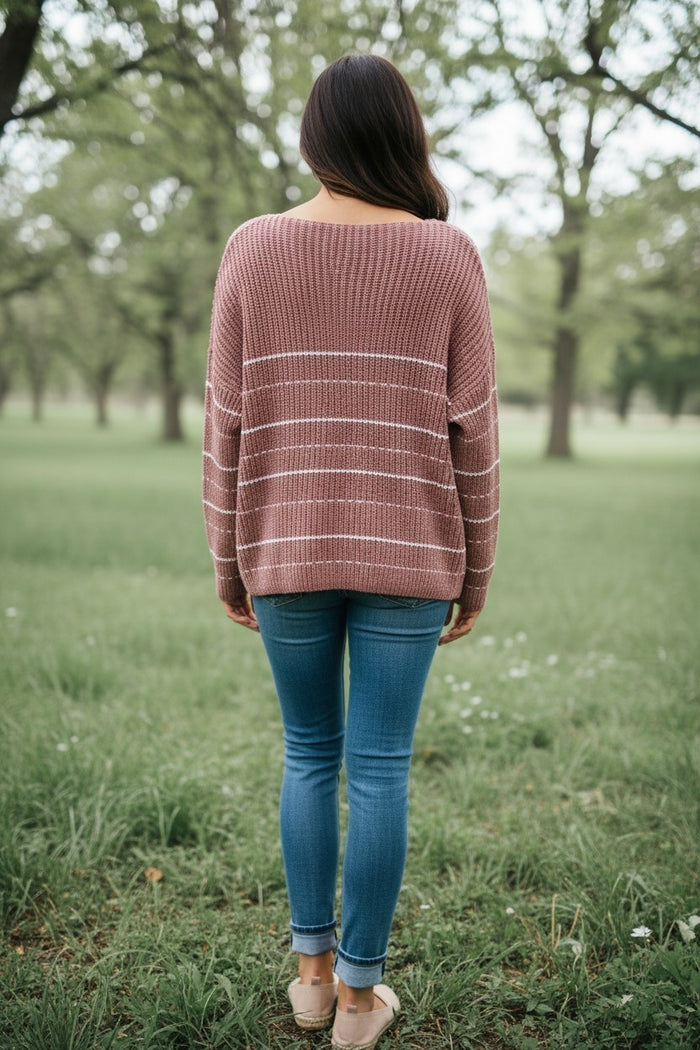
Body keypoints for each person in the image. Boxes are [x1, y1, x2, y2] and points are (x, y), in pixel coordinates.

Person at [202, 52, 499, 1050]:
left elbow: (227, 423)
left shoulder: (251, 248)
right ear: (403, 137)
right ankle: (363, 1004)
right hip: (413, 556)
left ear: (313, 139)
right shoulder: (449, 254)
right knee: (378, 769)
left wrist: (226, 559)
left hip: (282, 546)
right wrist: (477, 569)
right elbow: (476, 433)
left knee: (309, 757)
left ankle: (309, 979)